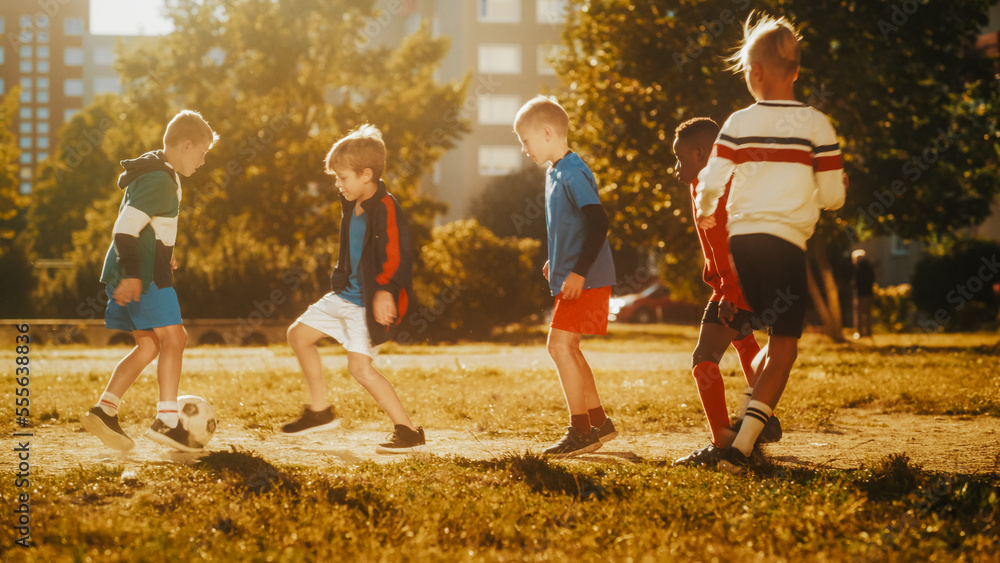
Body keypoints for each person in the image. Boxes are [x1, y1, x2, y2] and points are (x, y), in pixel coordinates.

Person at [693, 13, 847, 473]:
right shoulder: (817, 125)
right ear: (796, 71)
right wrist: (821, 191)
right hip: (785, 244)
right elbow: (835, 197)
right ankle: (740, 450)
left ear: (753, 73)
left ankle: (748, 412)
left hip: (743, 245)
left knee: (767, 338)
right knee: (784, 348)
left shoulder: (738, 123)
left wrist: (703, 208)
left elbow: (711, 181)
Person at [279, 124, 424, 454]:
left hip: (369, 303)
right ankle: (320, 411)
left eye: (342, 177)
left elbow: (398, 253)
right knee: (298, 335)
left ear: (366, 174)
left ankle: (408, 431)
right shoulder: (352, 203)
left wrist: (386, 291)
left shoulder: (386, 207)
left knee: (359, 368)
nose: (338, 184)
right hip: (345, 296)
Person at [81, 110, 218, 452]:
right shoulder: (161, 179)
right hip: (142, 275)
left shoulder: (157, 170)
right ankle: (168, 422)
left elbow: (147, 226)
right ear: (186, 145)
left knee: (149, 345)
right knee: (175, 338)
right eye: (202, 153)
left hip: (140, 268)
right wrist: (132, 275)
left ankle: (105, 409)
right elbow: (126, 229)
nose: (202, 162)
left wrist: (164, 249)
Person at [670, 118, 782, 467]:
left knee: (703, 359)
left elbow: (730, 245)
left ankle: (723, 442)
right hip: (740, 283)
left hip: (739, 284)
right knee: (744, 339)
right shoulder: (705, 182)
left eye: (679, 157)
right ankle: (762, 420)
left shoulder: (718, 188)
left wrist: (729, 293)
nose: (675, 166)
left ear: (701, 153)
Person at [513, 95, 618, 458]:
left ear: (546, 132)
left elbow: (598, 222)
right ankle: (599, 422)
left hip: (585, 279)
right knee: (569, 348)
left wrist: (576, 271)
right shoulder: (555, 171)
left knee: (557, 346)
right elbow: (569, 228)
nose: (524, 149)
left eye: (525, 141)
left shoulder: (572, 171)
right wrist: (556, 261)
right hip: (574, 275)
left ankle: (581, 430)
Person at [852, 249, 875, 338]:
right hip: (870, 293)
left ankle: (860, 332)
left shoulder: (859, 269)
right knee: (868, 314)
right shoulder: (869, 267)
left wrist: (853, 285)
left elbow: (858, 282)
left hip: (861, 294)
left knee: (859, 314)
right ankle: (868, 332)